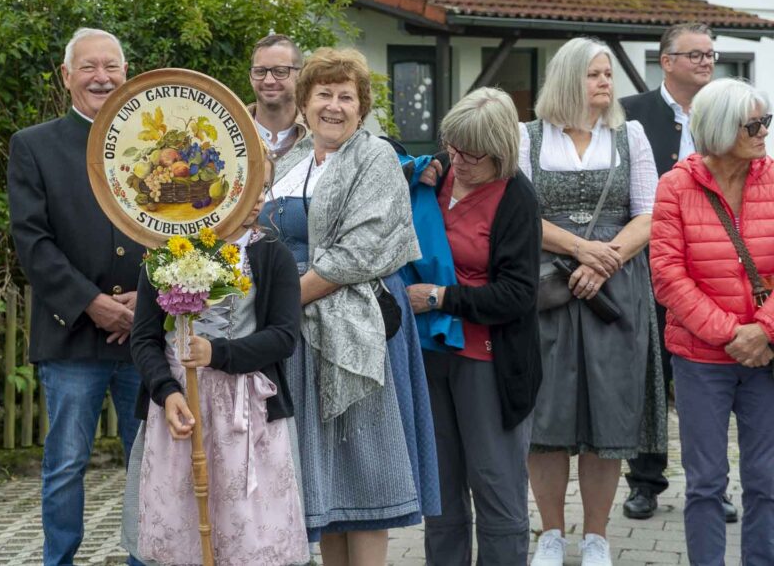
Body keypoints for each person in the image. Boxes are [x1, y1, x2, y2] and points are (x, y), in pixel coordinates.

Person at [261, 47, 439, 566]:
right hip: (298, 334)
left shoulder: (375, 157)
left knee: (363, 472)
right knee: (327, 478)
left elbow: (359, 253)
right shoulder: (290, 161)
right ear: (303, 102)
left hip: (356, 331)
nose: (334, 106)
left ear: (361, 108)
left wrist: (281, 303)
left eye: (346, 96)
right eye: (323, 95)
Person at [120, 159, 310, 566]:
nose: (256, 198)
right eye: (248, 187)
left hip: (246, 411)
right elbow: (145, 338)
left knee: (249, 539)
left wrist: (219, 354)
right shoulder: (169, 252)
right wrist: (166, 392)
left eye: (264, 188)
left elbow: (283, 336)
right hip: (181, 408)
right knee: (181, 534)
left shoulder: (271, 254)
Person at [523, 37, 665, 566]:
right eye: (595, 74)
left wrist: (603, 260)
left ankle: (598, 536)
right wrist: (580, 249)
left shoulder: (631, 135)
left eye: (608, 74)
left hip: (617, 286)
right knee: (547, 415)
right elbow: (518, 216)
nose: (606, 83)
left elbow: (649, 213)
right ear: (567, 79)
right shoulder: (526, 137)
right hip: (547, 284)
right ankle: (551, 533)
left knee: (609, 413)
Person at [7, 28, 144, 566]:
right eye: (88, 67)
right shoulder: (33, 145)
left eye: (110, 66)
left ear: (126, 73)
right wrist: (92, 302)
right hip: (70, 336)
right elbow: (32, 241)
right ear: (67, 77)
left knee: (150, 465)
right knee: (65, 467)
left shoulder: (156, 138)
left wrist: (148, 300)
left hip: (143, 336)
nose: (101, 77)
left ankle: (147, 557)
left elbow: (181, 226)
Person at [404, 88, 542, 565]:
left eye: (471, 153)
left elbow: (519, 295)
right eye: (452, 145)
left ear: (501, 151)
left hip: (488, 361)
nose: (458, 159)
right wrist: (411, 170)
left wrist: (443, 297)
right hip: (430, 354)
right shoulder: (437, 171)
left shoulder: (517, 197)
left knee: (497, 490)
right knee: (440, 494)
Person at [650, 78, 774, 566]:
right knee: (705, 483)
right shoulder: (674, 186)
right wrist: (732, 334)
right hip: (701, 359)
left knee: (766, 478)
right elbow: (668, 277)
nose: (764, 130)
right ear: (722, 128)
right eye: (753, 123)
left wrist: (763, 330)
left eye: (766, 121)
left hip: (765, 356)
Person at [620, 22, 737, 522]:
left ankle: (715, 487)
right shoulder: (631, 113)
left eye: (711, 55)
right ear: (667, 61)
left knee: (712, 379)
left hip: (716, 263)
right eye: (696, 56)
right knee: (650, 373)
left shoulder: (729, 108)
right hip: (649, 260)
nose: (707, 63)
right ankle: (645, 481)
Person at [249, 34, 307, 159]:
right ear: (250, 77)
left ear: (300, 75)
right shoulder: (227, 132)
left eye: (280, 71)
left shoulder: (316, 139)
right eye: (260, 71)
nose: (268, 80)